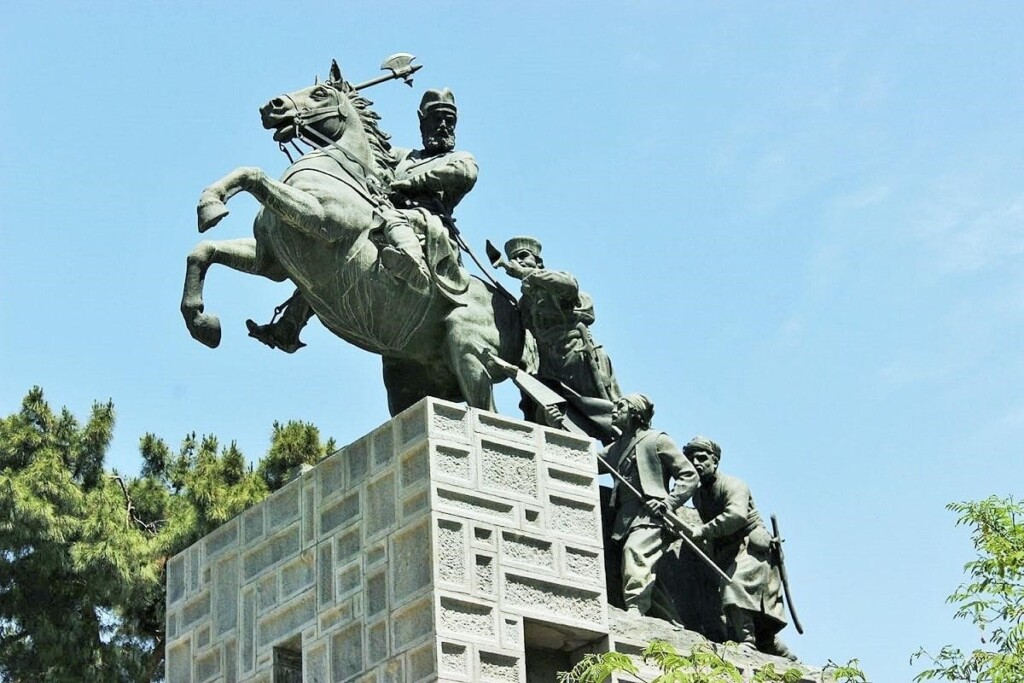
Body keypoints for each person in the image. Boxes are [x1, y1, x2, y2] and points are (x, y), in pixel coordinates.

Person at [247, 88, 479, 352]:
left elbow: (465, 173)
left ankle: (412, 265)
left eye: (449, 120)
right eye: (436, 118)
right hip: (380, 216)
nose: (443, 125)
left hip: (425, 224)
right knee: (333, 249)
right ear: (422, 121)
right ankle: (289, 324)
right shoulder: (401, 157)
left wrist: (410, 183)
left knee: (392, 218)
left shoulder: (458, 157)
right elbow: (358, 147)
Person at [683, 436, 795, 659]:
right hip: (727, 550)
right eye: (691, 459)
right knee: (744, 611)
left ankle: (747, 642)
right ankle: (777, 650)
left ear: (714, 461)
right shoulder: (698, 495)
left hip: (752, 547)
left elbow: (736, 516)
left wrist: (704, 531)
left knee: (733, 585)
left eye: (702, 458)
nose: (696, 463)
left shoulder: (733, 485)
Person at [497, 237, 621, 423]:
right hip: (550, 366)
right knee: (559, 416)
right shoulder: (525, 302)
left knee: (608, 412)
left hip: (578, 355)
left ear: (538, 261)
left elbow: (570, 286)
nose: (518, 261)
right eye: (515, 259)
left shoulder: (555, 280)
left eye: (523, 256)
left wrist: (527, 274)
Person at [600, 394, 698, 622]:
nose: (614, 411)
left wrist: (669, 503)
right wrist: (555, 422)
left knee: (635, 552)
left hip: (652, 515)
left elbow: (688, 475)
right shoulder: (618, 447)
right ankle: (670, 620)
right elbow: (587, 459)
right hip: (626, 518)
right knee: (640, 566)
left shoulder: (657, 440)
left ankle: (635, 608)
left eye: (620, 407)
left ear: (635, 413)